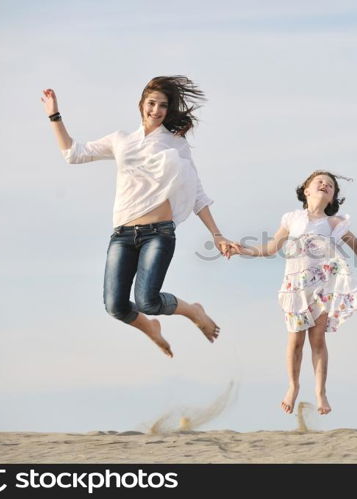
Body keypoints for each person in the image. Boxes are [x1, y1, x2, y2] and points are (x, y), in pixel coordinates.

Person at [41, 76, 239, 358]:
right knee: (115, 307)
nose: (156, 110)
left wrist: (217, 235)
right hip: (122, 234)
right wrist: (54, 115)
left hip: (159, 233)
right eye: (151, 103)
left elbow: (197, 194)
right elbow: (73, 154)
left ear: (168, 111)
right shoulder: (121, 140)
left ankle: (193, 311)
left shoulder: (176, 144)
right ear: (141, 105)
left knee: (147, 300)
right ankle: (152, 329)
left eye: (162, 106)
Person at [230, 171, 357, 415]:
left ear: (333, 197)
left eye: (331, 185)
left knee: (317, 340)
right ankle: (293, 386)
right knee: (295, 341)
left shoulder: (334, 223)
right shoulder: (292, 218)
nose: (325, 185)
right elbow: (271, 248)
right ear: (306, 190)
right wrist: (243, 250)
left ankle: (320, 392)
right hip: (295, 288)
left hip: (321, 288)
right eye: (320, 182)